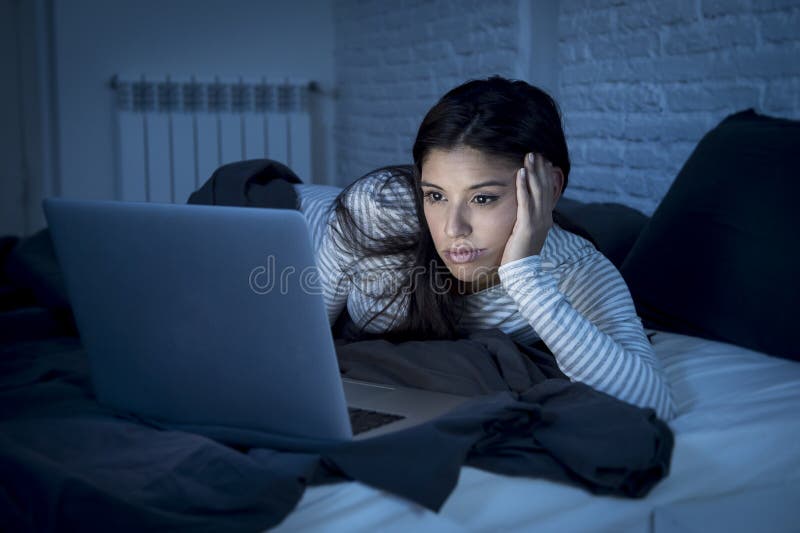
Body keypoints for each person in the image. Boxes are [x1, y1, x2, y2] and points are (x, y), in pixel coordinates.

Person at [294, 75, 675, 421]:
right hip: (295, 225)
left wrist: (523, 275)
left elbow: (651, 402)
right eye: (436, 195)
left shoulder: (573, 268)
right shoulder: (377, 209)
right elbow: (299, 337)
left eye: (483, 199)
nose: (452, 228)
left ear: (551, 188)